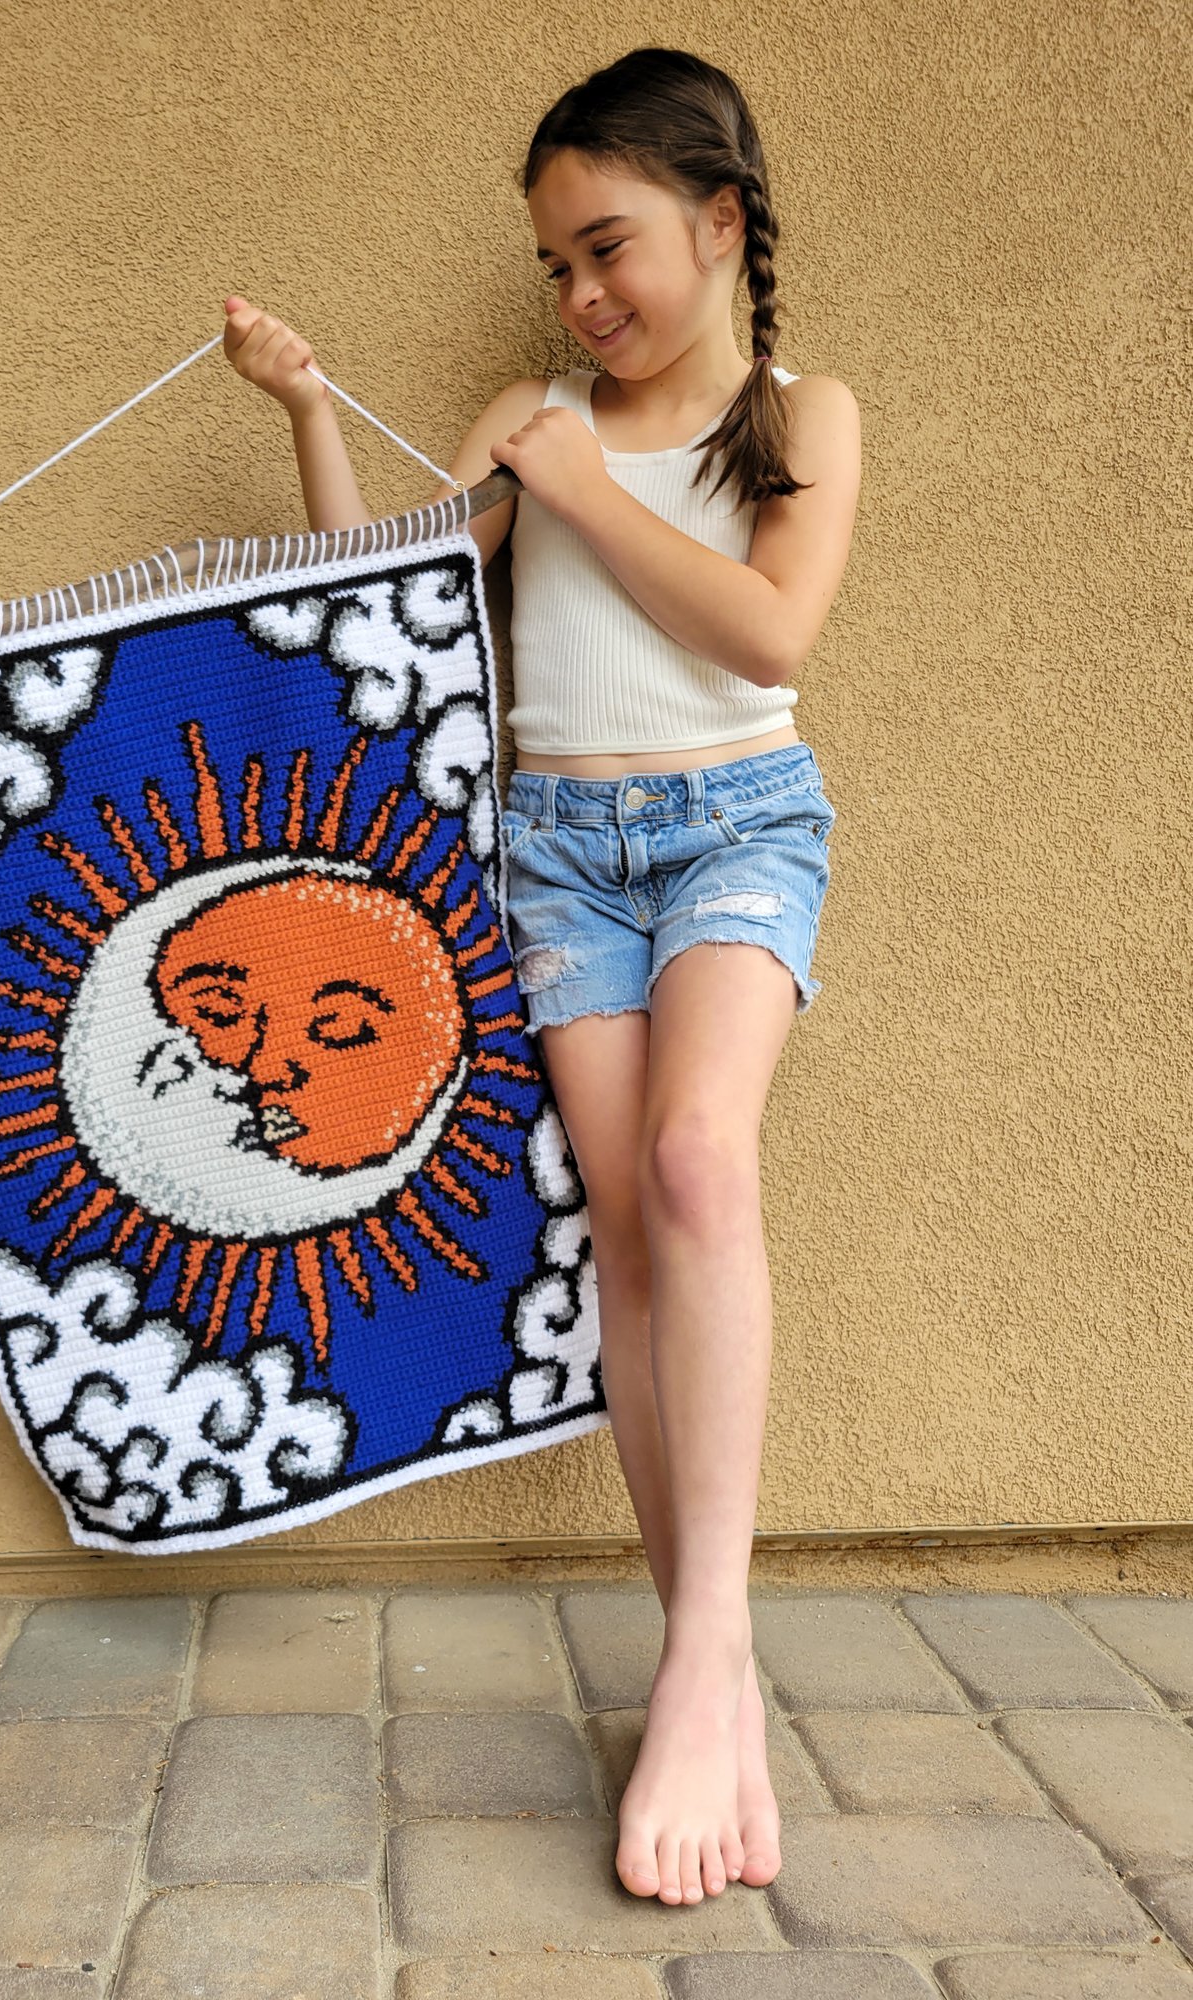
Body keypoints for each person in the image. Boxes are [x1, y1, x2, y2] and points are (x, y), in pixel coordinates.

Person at [221, 44, 861, 1912]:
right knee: (629, 1233)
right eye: (558, 268)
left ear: (720, 222)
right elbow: (386, 598)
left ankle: (702, 1656)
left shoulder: (804, 416)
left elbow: (770, 633)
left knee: (700, 1166)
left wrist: (580, 487)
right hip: (560, 850)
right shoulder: (533, 416)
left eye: (610, 249)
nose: (583, 297)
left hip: (738, 825)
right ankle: (709, 1669)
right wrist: (313, 410)